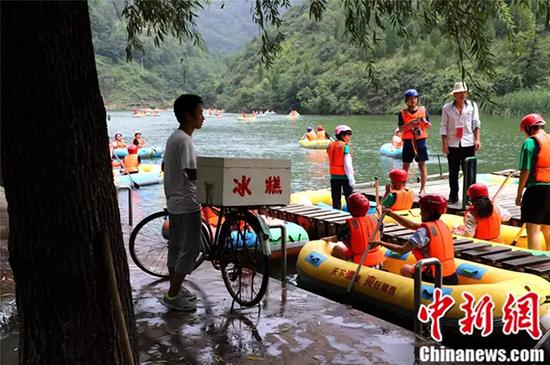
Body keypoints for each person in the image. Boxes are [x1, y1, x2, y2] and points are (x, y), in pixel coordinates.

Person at [161, 94, 205, 311]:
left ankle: (174, 289)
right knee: (190, 250)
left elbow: (164, 167)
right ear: (188, 115)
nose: (203, 117)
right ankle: (172, 294)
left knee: (176, 249)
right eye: (200, 113)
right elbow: (191, 172)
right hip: (187, 203)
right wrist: (212, 178)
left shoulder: (174, 138)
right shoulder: (185, 140)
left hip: (174, 202)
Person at [374, 194, 458, 285]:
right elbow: (411, 225)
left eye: (422, 210)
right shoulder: (442, 225)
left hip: (434, 278)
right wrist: (391, 214)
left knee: (405, 269)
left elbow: (402, 250)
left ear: (431, 211)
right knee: (414, 267)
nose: (420, 213)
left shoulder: (423, 231)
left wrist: (380, 243)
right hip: (451, 276)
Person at [440, 82, 481, 203]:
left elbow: (476, 124)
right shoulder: (447, 108)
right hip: (453, 143)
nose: (462, 95)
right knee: (453, 172)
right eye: (459, 93)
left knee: (470, 172)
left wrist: (477, 139)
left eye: (464, 92)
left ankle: (469, 197)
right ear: (454, 95)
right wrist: (444, 143)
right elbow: (444, 126)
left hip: (468, 142)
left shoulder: (473, 106)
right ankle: (453, 196)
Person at [515, 113, 550, 251]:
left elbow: (525, 170)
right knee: (547, 228)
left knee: (533, 229)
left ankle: (535, 263)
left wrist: (519, 194)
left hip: (536, 189)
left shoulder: (530, 142)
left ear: (529, 128)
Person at [324, 193, 385, 269]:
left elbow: (336, 239)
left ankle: (345, 265)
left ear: (349, 209)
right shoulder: (376, 221)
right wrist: (379, 212)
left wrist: (324, 240)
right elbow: (381, 225)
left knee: (336, 249)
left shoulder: (347, 226)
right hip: (378, 260)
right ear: (367, 208)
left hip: (358, 262)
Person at [398, 89, 431, 195]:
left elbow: (429, 125)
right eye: (410, 99)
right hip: (408, 141)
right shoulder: (402, 113)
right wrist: (411, 124)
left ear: (417, 99)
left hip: (420, 141)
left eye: (414, 98)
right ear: (406, 100)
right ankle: (402, 186)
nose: (412, 100)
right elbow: (401, 129)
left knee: (422, 165)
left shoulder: (423, 110)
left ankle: (423, 188)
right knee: (406, 165)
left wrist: (423, 122)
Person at [327, 125, 355, 210]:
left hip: (334, 176)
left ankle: (336, 214)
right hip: (345, 176)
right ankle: (351, 214)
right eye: (348, 134)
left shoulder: (330, 145)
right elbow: (348, 164)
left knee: (336, 198)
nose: (350, 136)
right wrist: (351, 179)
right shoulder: (345, 147)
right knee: (349, 198)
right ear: (342, 135)